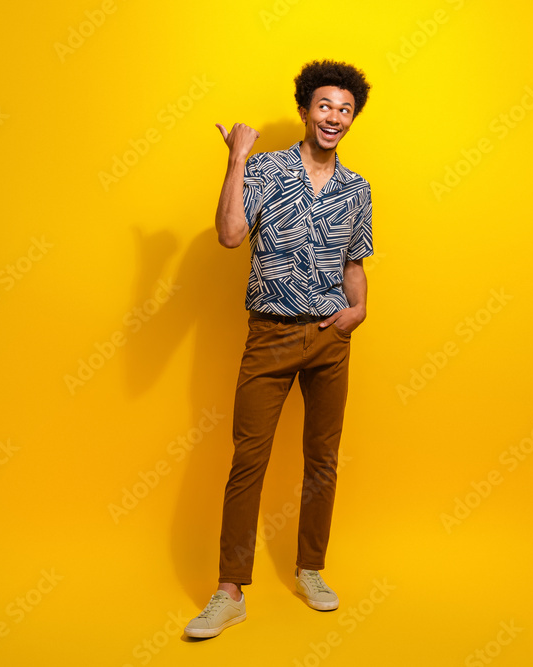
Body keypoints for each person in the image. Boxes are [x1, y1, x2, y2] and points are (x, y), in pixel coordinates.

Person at [185, 59, 373, 639]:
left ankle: (310, 569)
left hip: (330, 340)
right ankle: (229, 590)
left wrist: (359, 310)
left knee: (323, 459)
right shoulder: (265, 169)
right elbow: (230, 234)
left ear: (352, 117)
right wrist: (237, 158)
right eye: (325, 106)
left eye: (344, 109)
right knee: (249, 460)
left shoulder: (357, 188)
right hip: (269, 335)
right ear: (304, 110)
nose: (334, 117)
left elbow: (354, 260)